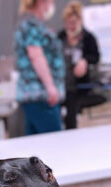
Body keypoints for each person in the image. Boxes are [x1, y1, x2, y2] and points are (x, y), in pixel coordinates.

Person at [14, 0, 65, 135]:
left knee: (35, 145)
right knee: (54, 142)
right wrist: (50, 87)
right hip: (41, 95)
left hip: (34, 96)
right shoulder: (31, 25)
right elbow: (36, 55)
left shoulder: (32, 23)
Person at [58, 1, 101, 129]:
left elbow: (95, 56)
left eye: (73, 23)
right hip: (61, 82)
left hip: (77, 85)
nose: (71, 26)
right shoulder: (60, 37)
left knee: (71, 113)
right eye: (68, 23)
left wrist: (85, 60)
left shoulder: (88, 37)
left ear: (79, 21)